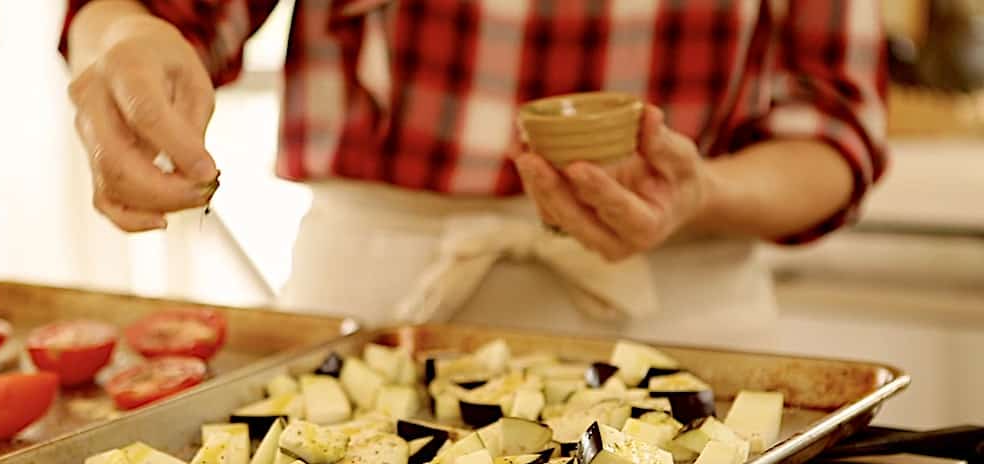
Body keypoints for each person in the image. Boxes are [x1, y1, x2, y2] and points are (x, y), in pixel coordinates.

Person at [60, 1, 887, 348]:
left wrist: (704, 193)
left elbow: (835, 130)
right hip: (373, 323)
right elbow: (142, 12)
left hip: (687, 334)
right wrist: (124, 42)